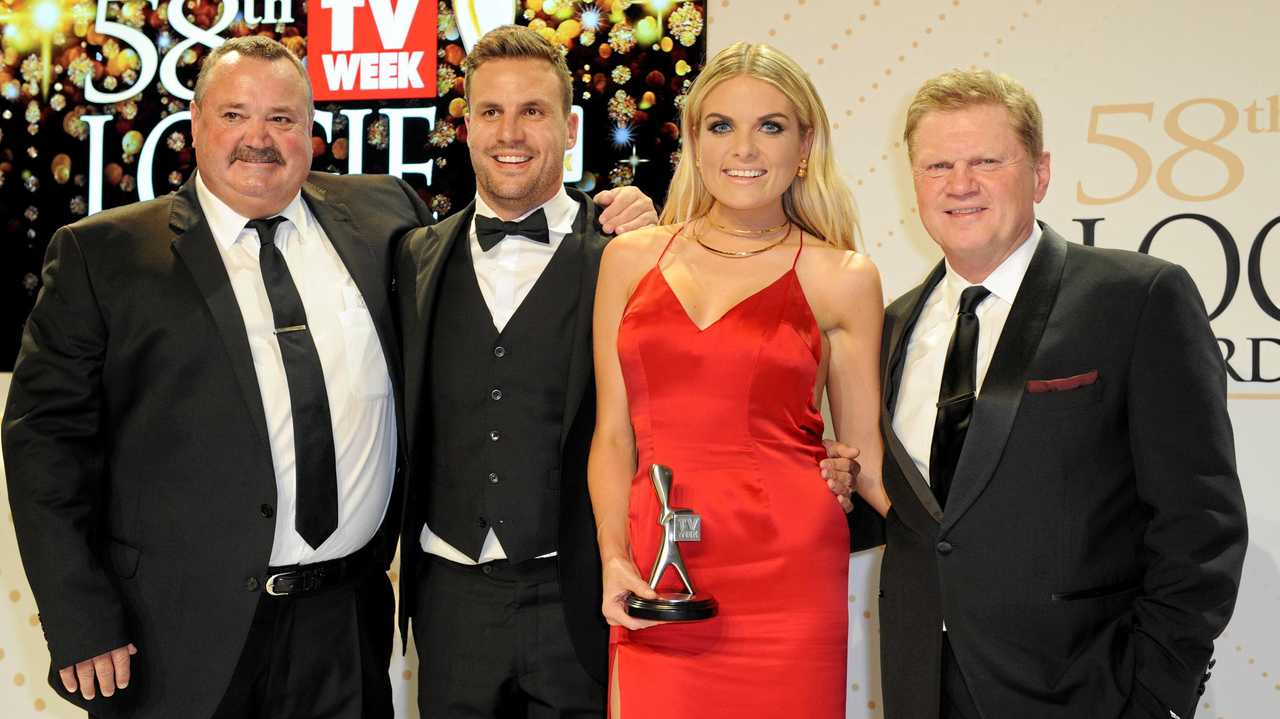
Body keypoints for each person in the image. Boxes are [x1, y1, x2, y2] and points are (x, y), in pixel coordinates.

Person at [1, 34, 652, 719]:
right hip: (179, 633)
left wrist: (634, 219)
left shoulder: (382, 219)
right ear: (194, 125)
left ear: (311, 132)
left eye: (282, 118)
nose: (259, 138)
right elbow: (45, 444)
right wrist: (79, 615)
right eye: (234, 115)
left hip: (346, 626)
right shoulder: (103, 254)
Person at [395, 27, 861, 718]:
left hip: (586, 596)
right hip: (451, 601)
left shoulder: (626, 253)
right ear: (465, 127)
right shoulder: (411, 257)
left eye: (534, 110)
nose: (510, 132)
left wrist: (836, 463)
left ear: (571, 125)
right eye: (490, 111)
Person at [874, 69, 1248, 719]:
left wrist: (1157, 694)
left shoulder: (1137, 299)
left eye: (987, 160)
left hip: (1087, 693)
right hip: (922, 691)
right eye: (937, 165)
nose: (959, 184)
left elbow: (1200, 525)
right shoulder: (892, 325)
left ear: (1041, 172)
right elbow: (915, 518)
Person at [588, 42, 890, 718]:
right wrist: (613, 556)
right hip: (659, 573)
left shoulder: (842, 275)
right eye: (721, 125)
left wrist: (991, 555)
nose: (744, 148)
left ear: (805, 143)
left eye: (771, 126)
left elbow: (867, 458)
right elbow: (613, 436)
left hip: (790, 578)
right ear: (693, 140)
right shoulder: (630, 261)